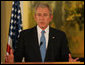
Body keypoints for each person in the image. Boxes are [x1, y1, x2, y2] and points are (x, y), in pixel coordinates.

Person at [6, 3, 80, 62]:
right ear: (35, 17)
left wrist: (69, 61)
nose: (42, 18)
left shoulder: (60, 35)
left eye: (45, 15)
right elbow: (18, 57)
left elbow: (66, 57)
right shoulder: (25, 35)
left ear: (50, 17)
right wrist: (13, 60)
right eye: (39, 15)